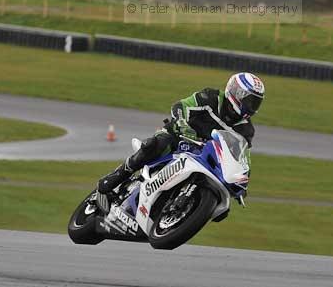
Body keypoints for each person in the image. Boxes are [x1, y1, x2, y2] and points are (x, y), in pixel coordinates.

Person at [97, 72, 265, 200]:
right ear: (235, 92)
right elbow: (181, 106)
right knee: (156, 144)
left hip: (205, 155)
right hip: (180, 136)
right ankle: (120, 174)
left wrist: (242, 181)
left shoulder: (246, 130)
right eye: (250, 100)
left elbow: (242, 158)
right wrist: (182, 124)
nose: (251, 106)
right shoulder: (211, 97)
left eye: (256, 103)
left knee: (222, 199)